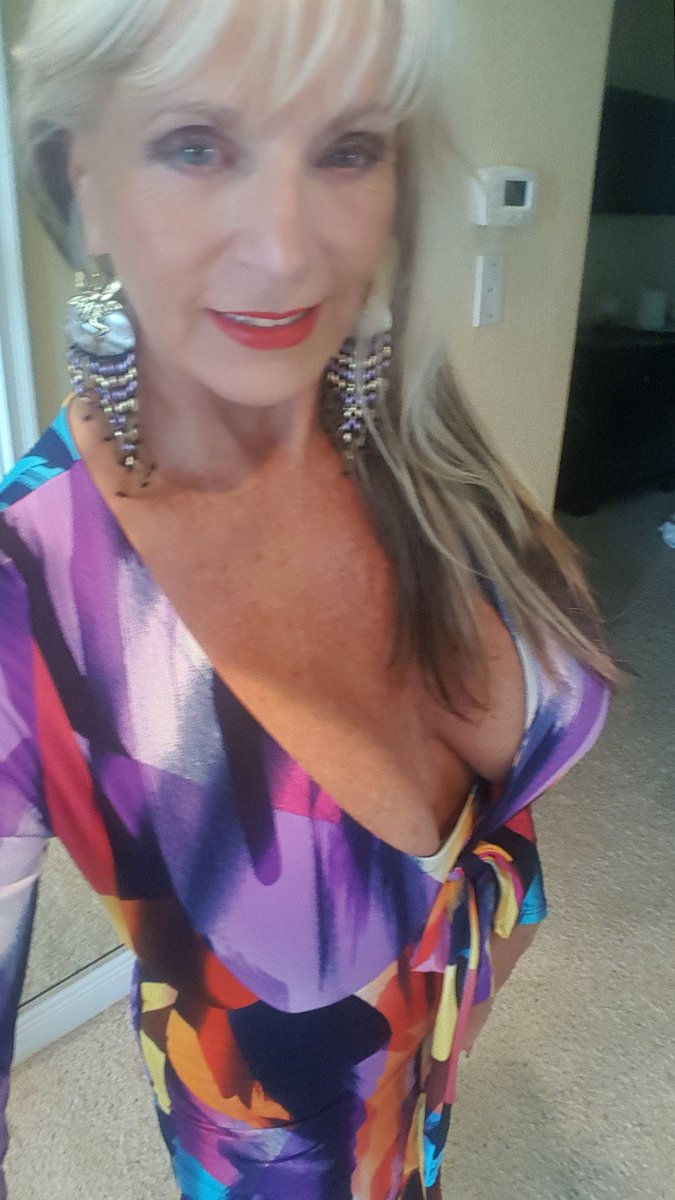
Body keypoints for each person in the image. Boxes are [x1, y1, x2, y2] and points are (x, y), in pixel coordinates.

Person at [0, 1, 613, 1197]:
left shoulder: (404, 425)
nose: (286, 251)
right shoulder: (27, 595)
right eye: (195, 145)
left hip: (432, 1084)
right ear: (82, 175)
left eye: (346, 147)